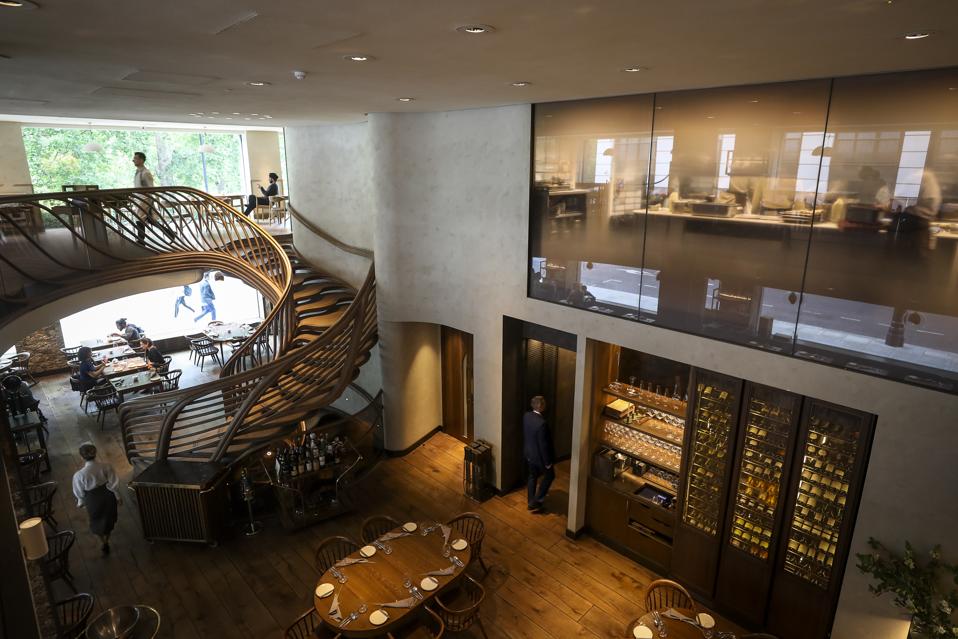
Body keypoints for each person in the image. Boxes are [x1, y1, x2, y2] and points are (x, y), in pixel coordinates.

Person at [72, 442, 121, 555]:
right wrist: (117, 496)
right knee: (109, 520)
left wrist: (81, 501)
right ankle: (106, 540)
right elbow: (114, 483)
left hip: (92, 499)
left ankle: (103, 542)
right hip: (108, 495)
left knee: (96, 521)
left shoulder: (79, 475)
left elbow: (78, 491)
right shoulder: (106, 466)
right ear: (95, 453)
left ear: (81, 457)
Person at [131, 151, 175, 243]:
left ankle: (141, 241)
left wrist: (150, 202)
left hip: (144, 201)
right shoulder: (138, 172)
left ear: (141, 160)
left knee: (139, 219)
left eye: (135, 158)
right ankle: (170, 234)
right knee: (151, 221)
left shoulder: (146, 173)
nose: (133, 160)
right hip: (139, 200)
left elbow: (151, 188)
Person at [523, 395, 555, 512]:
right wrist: (548, 462)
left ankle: (530, 501)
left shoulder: (526, 416)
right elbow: (544, 446)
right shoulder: (542, 423)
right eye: (544, 404)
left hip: (528, 453)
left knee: (532, 476)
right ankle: (537, 500)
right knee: (550, 476)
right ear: (541, 406)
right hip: (539, 458)